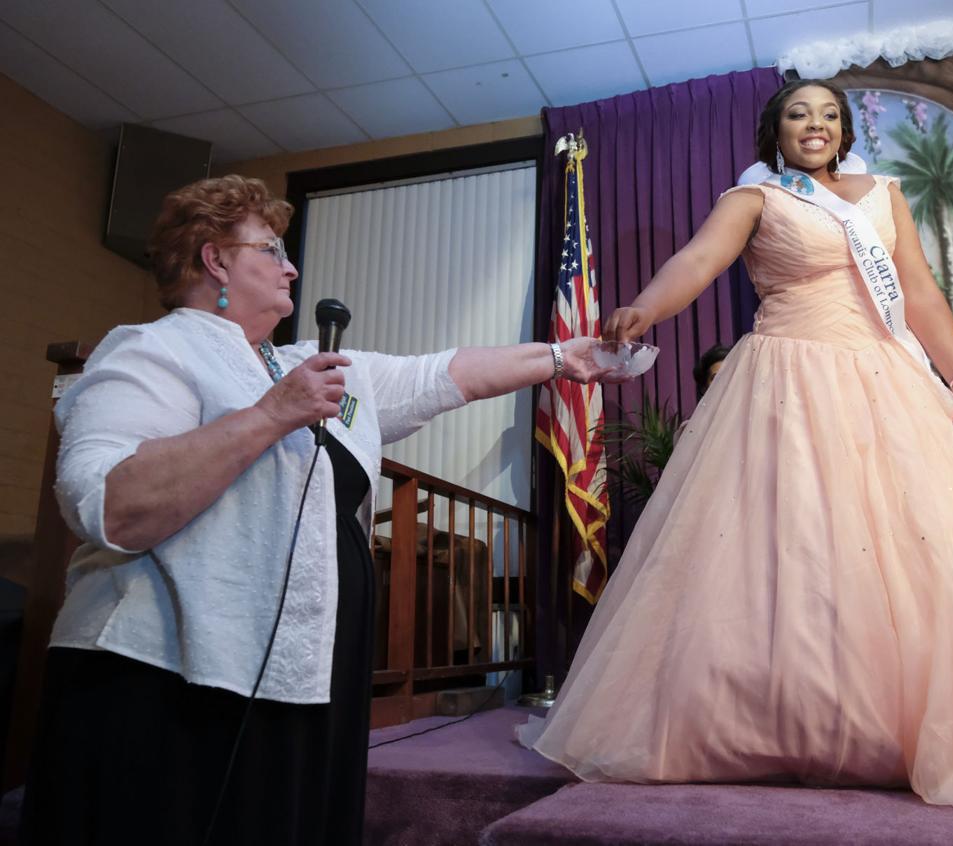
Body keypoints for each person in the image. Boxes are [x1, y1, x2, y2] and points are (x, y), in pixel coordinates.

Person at [518, 80, 953, 813]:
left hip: (885, 381)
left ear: (842, 132)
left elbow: (921, 294)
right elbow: (698, 262)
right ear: (776, 130)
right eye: (800, 113)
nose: (816, 124)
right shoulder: (756, 199)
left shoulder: (882, 194)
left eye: (829, 115)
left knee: (910, 553)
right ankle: (788, 721)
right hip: (786, 380)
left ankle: (899, 726)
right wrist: (646, 306)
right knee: (793, 552)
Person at [20, 175, 618, 846]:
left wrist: (564, 357)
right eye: (272, 248)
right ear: (215, 259)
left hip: (304, 673)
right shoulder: (151, 350)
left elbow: (450, 373)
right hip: (163, 680)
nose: (292, 264)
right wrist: (271, 416)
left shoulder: (320, 366)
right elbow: (107, 504)